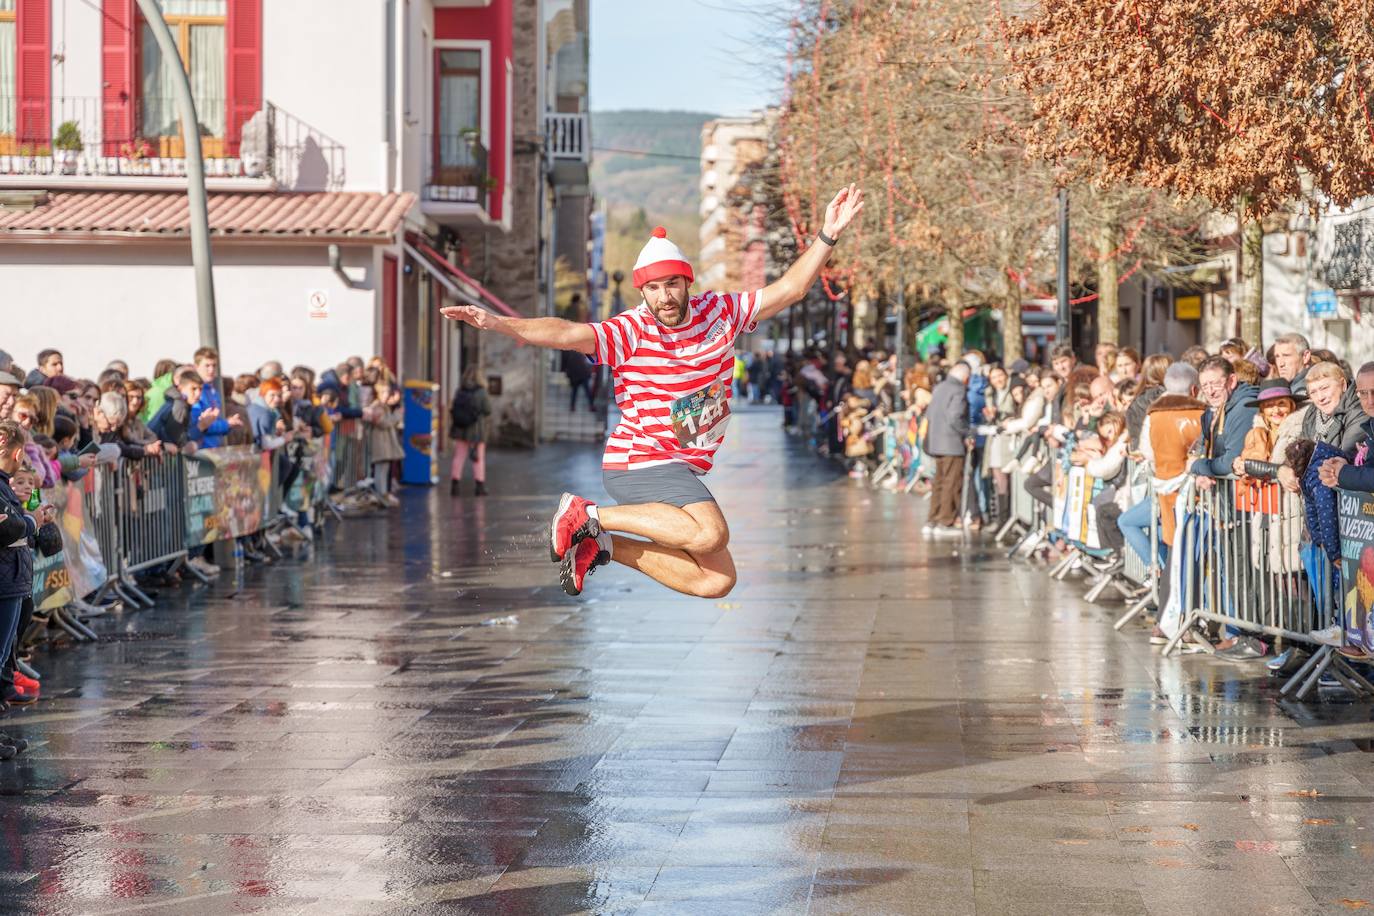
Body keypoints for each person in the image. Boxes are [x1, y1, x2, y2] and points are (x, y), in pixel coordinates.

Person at [440, 184, 865, 597]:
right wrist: (500, 323)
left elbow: (791, 289)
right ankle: (586, 515)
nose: (664, 297)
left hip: (681, 464)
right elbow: (568, 332)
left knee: (716, 580)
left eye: (672, 285)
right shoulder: (631, 329)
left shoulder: (721, 312)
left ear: (687, 283)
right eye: (654, 288)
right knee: (710, 533)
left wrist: (828, 235)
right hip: (641, 460)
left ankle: (600, 544)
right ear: (642, 291)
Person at [1190, 356, 1259, 491]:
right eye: (1205, 386)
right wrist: (1201, 474)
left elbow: (1231, 461)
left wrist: (1196, 465)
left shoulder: (1245, 408)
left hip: (1245, 500)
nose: (1210, 392)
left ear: (1232, 381)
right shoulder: (1215, 409)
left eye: (1215, 384)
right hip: (1223, 499)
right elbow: (1203, 451)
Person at [923, 362, 972, 535]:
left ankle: (932, 519)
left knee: (939, 482)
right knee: (951, 483)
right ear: (966, 377)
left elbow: (929, 413)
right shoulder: (959, 390)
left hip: (936, 441)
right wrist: (968, 432)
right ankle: (945, 521)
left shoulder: (940, 387)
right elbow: (955, 416)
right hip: (952, 443)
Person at [449, 366, 492, 497]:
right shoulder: (482, 392)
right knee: (478, 458)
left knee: (459, 457)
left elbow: (454, 406)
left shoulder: (460, 390)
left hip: (460, 429)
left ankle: (455, 485)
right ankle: (480, 487)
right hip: (476, 431)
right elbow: (487, 410)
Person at [1272, 332, 1314, 397]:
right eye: (1277, 356)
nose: (1281, 364)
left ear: (1305, 356)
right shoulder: (1285, 386)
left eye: (1286, 355)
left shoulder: (1314, 389)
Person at [561, 347, 595, 413]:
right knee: (582, 391)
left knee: (579, 391)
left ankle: (589, 405)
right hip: (579, 374)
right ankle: (590, 405)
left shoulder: (572, 351)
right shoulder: (576, 351)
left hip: (579, 374)